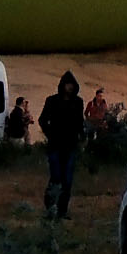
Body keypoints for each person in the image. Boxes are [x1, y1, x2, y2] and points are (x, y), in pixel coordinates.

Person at [39, 69, 85, 220]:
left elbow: (79, 122)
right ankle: (50, 207)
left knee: (68, 180)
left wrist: (82, 137)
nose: (69, 87)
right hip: (55, 145)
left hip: (71, 145)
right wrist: (50, 134)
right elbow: (42, 120)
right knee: (56, 177)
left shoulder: (78, 102)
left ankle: (62, 211)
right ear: (62, 85)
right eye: (67, 84)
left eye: (71, 85)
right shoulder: (52, 101)